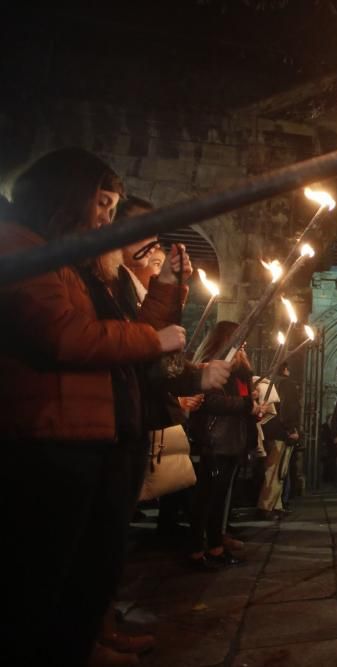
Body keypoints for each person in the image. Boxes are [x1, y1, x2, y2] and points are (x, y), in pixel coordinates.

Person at [0, 148, 192, 665]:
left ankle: (84, 640)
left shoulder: (69, 259)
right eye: (102, 204)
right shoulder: (24, 248)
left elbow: (133, 330)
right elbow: (66, 335)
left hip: (92, 429)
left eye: (113, 206)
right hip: (52, 432)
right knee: (46, 575)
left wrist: (170, 290)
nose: (107, 218)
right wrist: (155, 343)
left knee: (90, 562)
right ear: (67, 197)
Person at [188, 322, 263, 570]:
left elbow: (239, 402)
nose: (243, 346)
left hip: (232, 441)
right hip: (215, 441)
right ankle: (198, 551)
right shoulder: (213, 365)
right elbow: (212, 402)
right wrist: (245, 405)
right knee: (208, 498)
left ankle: (216, 546)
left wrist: (253, 409)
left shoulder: (238, 370)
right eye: (239, 340)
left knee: (219, 499)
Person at [257, 363, 301, 517]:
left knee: (272, 469)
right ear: (285, 370)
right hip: (280, 432)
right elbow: (288, 408)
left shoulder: (268, 382)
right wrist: (291, 429)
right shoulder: (287, 384)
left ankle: (276, 505)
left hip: (267, 431)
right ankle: (266, 506)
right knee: (276, 471)